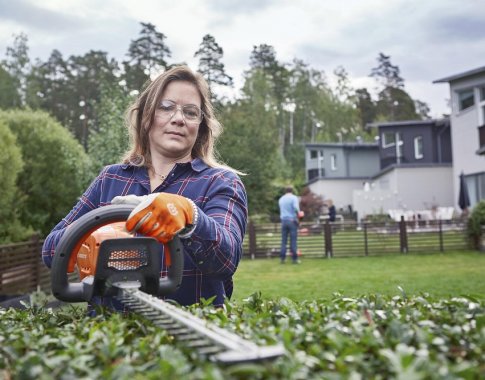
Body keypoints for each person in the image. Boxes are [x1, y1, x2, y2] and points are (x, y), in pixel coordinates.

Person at [42, 65, 248, 309]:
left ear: (201, 126)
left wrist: (190, 215)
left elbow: (226, 260)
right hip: (111, 336)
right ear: (146, 116)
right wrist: (97, 233)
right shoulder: (111, 179)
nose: (179, 118)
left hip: (188, 334)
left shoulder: (221, 182)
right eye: (166, 107)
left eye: (191, 112)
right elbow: (52, 252)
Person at [278, 186, 301, 264]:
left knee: (283, 241)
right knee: (293, 241)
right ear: (292, 190)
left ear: (285, 191)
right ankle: (294, 259)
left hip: (283, 221)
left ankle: (282, 259)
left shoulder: (281, 199)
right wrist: (299, 216)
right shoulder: (294, 198)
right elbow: (296, 208)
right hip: (292, 221)